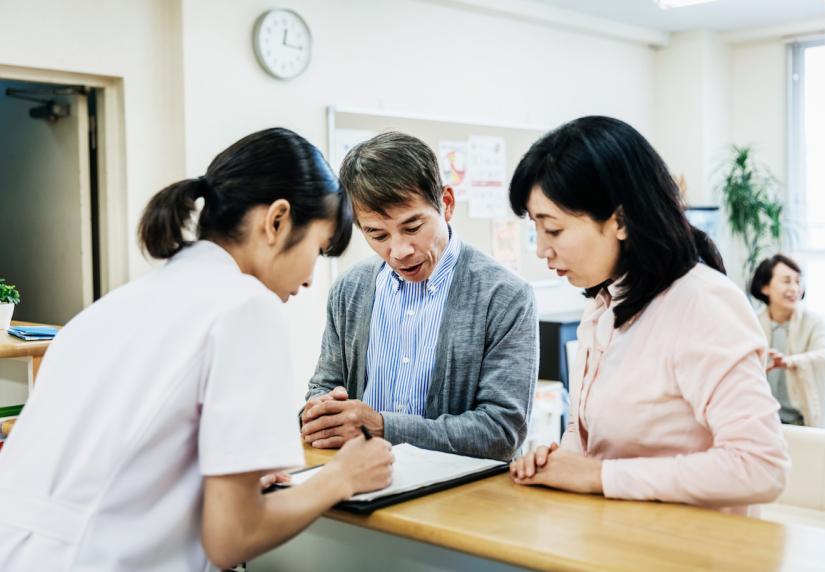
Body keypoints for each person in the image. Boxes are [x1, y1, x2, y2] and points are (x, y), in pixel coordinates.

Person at [0, 128, 393, 571]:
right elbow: (232, 538)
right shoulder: (246, 307)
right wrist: (342, 477)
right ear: (277, 221)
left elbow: (119, 459)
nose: (308, 279)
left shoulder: (111, 308)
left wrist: (231, 476)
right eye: (317, 251)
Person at [507, 116, 789, 515]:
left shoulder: (702, 303)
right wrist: (557, 463)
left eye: (553, 230)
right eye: (535, 229)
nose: (541, 250)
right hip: (614, 535)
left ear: (620, 220)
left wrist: (598, 476)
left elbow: (761, 466)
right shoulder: (603, 305)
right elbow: (588, 432)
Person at [300, 132, 537, 461]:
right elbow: (324, 385)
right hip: (364, 485)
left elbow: (501, 431)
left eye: (413, 227)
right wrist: (321, 410)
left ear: (447, 204)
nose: (398, 251)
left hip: (461, 499)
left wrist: (384, 427)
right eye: (377, 234)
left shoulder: (505, 297)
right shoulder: (349, 289)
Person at [749, 254, 825, 429]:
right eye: (786, 281)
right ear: (765, 287)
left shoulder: (814, 322)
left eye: (798, 281)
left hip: (805, 422)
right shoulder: (751, 324)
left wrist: (790, 362)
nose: (794, 288)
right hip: (764, 421)